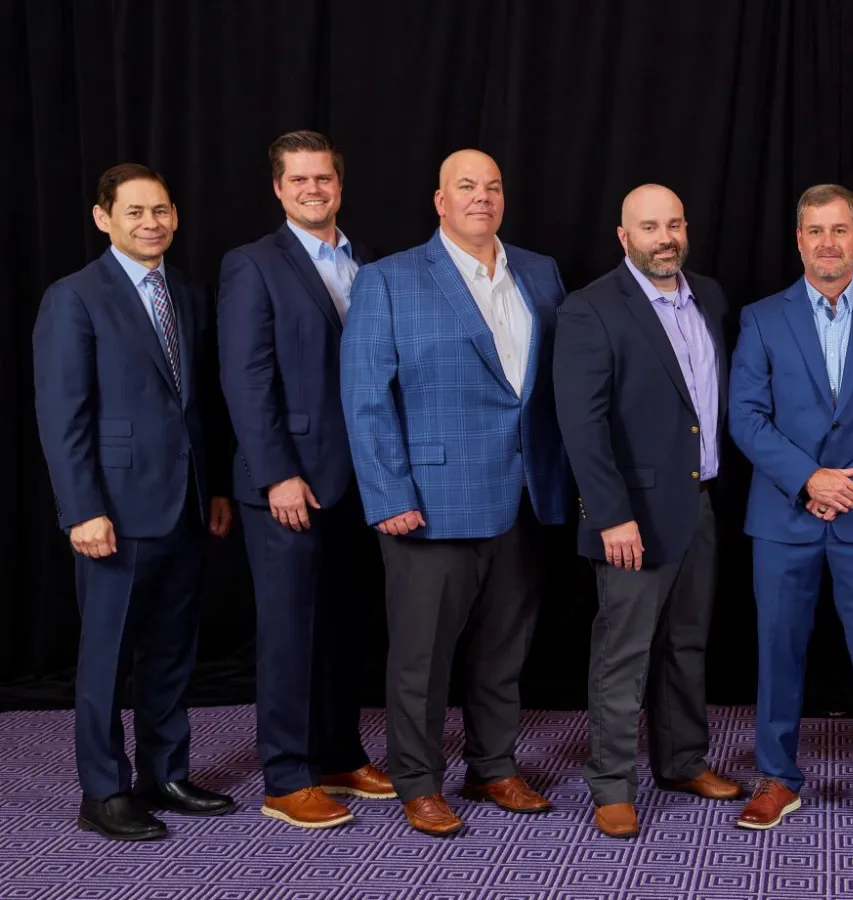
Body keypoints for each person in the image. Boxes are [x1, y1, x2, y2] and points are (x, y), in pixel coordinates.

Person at [340, 149, 569, 837]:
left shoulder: (540, 271)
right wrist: (387, 495)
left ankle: (494, 765)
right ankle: (417, 780)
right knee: (421, 656)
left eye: (493, 186)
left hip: (525, 495)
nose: (481, 197)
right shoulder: (388, 280)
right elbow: (364, 398)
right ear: (439, 201)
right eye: (465, 186)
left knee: (504, 649)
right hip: (429, 502)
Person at [33, 163, 237, 841]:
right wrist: (80, 509)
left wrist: (213, 488)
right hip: (112, 512)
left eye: (161, 211)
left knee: (172, 651)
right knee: (106, 655)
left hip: (182, 505)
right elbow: (64, 415)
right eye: (135, 212)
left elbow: (197, 406)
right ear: (103, 218)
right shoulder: (75, 297)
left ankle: (166, 773)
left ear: (175, 216)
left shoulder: (187, 291)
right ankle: (103, 791)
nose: (151, 223)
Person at [727, 184, 853, 836]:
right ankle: (777, 777)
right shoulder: (762, 318)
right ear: (799, 239)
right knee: (778, 649)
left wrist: (852, 484)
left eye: (839, 230)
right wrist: (810, 479)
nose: (828, 243)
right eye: (815, 230)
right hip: (784, 517)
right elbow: (747, 419)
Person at [218, 130, 395, 830]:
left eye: (323, 178)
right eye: (299, 180)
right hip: (287, 483)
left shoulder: (369, 264)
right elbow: (246, 376)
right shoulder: (252, 265)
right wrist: (277, 475)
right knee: (290, 631)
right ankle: (286, 776)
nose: (313, 189)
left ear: (340, 185)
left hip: (356, 480)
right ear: (278, 188)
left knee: (344, 627)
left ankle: (338, 754)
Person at [553, 184, 742, 839]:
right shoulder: (591, 309)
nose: (664, 237)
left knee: (686, 645)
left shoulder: (710, 296)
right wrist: (609, 515)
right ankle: (610, 785)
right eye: (649, 226)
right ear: (623, 235)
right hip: (630, 515)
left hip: (700, 503)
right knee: (623, 653)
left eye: (673, 224)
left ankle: (683, 761)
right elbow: (583, 424)